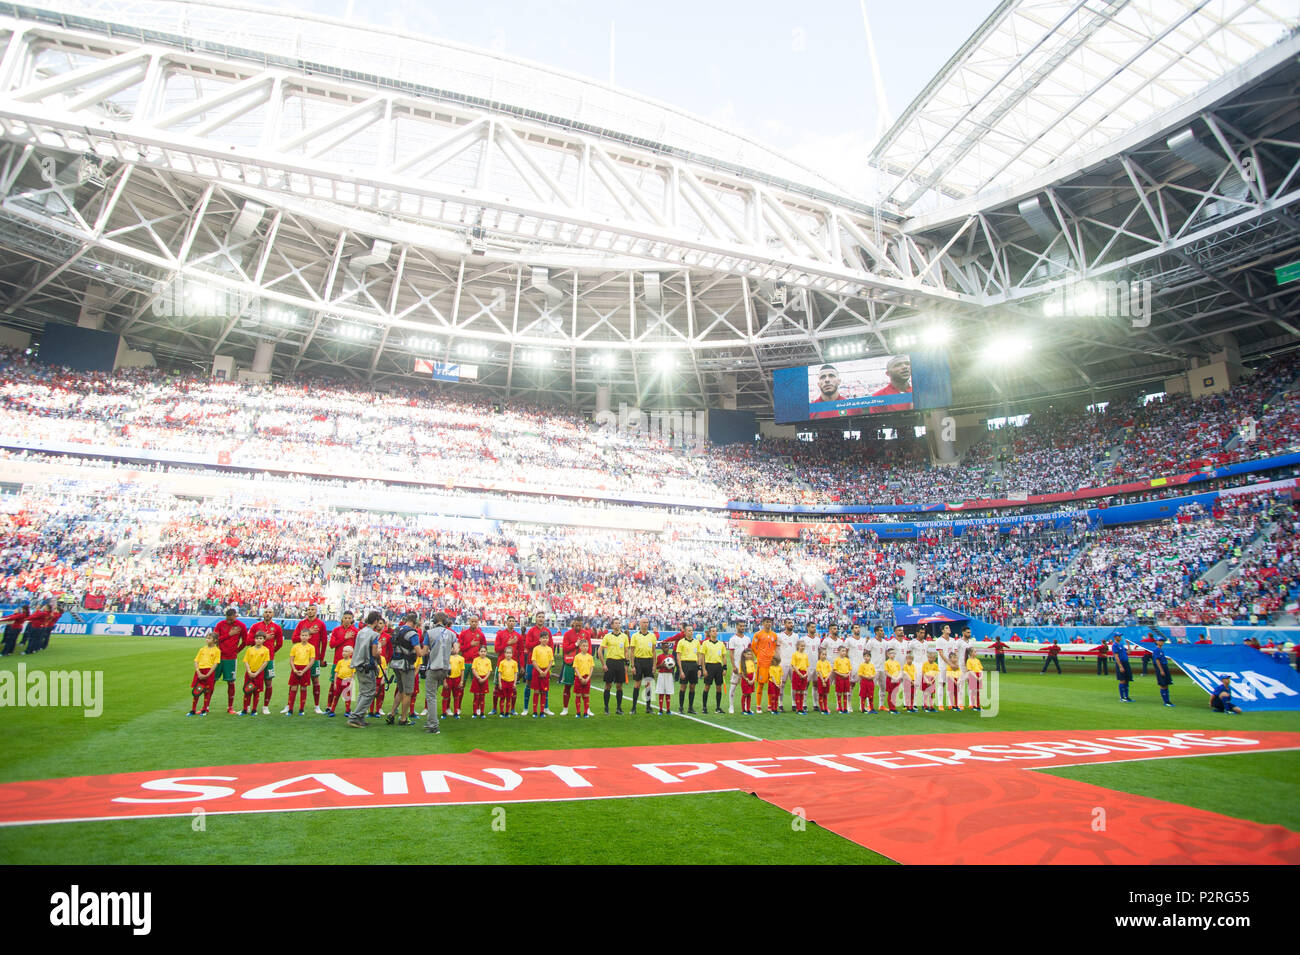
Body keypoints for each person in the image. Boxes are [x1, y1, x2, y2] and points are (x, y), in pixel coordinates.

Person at [421, 611, 459, 734]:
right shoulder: (451, 634)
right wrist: (447, 651)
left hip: (433, 667)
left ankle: (433, 724)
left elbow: (425, 651)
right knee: (435, 694)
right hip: (445, 668)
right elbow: (456, 650)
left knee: (431, 696)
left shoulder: (429, 633)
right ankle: (432, 721)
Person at [347, 611, 384, 728]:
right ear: (376, 621)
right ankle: (355, 717)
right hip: (367, 665)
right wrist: (378, 656)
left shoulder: (361, 632)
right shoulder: (374, 635)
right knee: (369, 692)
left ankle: (360, 717)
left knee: (363, 692)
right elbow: (374, 653)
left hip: (358, 664)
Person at [290, 605, 328, 714]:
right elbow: (294, 639)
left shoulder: (321, 624)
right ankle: (290, 706)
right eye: (308, 610)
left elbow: (324, 642)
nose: (310, 611)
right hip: (300, 658)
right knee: (294, 681)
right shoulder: (301, 623)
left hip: (314, 658)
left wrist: (321, 658)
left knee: (315, 680)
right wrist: (309, 633)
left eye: (312, 610)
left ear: (316, 611)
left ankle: (317, 706)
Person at [386, 612, 421, 726]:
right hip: (406, 665)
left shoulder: (397, 629)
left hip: (395, 663)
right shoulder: (412, 633)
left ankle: (391, 714)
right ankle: (404, 718)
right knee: (407, 692)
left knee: (400, 690)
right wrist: (426, 650)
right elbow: (419, 652)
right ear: (414, 622)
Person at [214, 608, 249, 715]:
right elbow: (215, 639)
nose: (229, 621)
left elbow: (245, 641)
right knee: (212, 681)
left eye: (231, 619)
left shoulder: (241, 626)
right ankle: (205, 707)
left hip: (231, 658)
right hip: (218, 657)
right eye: (227, 619)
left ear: (235, 616)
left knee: (231, 682)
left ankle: (230, 707)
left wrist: (236, 651)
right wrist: (229, 634)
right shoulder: (220, 624)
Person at [248, 610, 284, 716]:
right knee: (252, 682)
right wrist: (264, 637)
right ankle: (248, 706)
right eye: (266, 612)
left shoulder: (277, 627)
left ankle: (265, 706)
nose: (268, 614)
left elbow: (280, 644)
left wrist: (271, 652)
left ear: (273, 614)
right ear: (263, 614)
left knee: (268, 682)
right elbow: (248, 641)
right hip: (255, 659)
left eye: (270, 612)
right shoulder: (255, 626)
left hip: (269, 660)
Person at [325, 611, 357, 715]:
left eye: (349, 618)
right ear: (342, 619)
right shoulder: (336, 630)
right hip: (337, 662)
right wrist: (345, 638)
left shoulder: (355, 631)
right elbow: (332, 645)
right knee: (333, 685)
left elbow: (357, 647)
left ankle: (348, 709)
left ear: (352, 619)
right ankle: (328, 707)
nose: (347, 620)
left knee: (348, 686)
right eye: (345, 618)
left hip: (350, 664)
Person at [559, 615, 591, 716]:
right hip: (570, 663)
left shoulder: (586, 633)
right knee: (567, 686)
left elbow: (589, 648)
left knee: (584, 687)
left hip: (583, 665)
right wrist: (576, 644)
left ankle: (587, 709)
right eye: (577, 625)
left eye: (580, 625)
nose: (578, 627)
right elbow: (565, 649)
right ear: (574, 623)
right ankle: (565, 708)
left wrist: (588, 661)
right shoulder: (568, 634)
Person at [457, 615, 489, 716]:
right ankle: (458, 707)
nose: (474, 623)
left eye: (476, 622)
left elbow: (484, 647)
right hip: (466, 662)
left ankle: (478, 708)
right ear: (469, 622)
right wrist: (470, 645)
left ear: (478, 622)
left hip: (478, 664)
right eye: (472, 621)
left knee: (478, 687)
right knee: (461, 685)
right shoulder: (464, 634)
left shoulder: (481, 634)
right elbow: (459, 648)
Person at [493, 614, 525, 715]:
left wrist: (522, 666)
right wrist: (508, 643)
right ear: (506, 622)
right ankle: (494, 709)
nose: (511, 622)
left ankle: (512, 709)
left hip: (513, 666)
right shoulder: (500, 634)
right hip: (501, 664)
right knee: (497, 687)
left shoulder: (518, 636)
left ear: (515, 623)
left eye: (513, 621)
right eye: (509, 621)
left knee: (513, 688)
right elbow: (496, 649)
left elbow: (521, 652)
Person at [522, 612, 551, 714]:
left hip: (545, 664)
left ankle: (545, 708)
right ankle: (526, 708)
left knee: (544, 685)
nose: (541, 619)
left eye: (543, 617)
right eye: (539, 617)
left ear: (544, 619)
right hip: (531, 662)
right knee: (529, 683)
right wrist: (540, 642)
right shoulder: (531, 631)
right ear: (536, 618)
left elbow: (550, 646)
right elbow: (528, 645)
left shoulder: (547, 631)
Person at [750, 617, 778, 713]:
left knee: (771, 684)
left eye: (770, 622)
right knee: (761, 684)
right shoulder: (758, 634)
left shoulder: (774, 635)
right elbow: (753, 646)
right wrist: (759, 655)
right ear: (763, 623)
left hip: (771, 663)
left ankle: (770, 705)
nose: (768, 624)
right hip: (762, 662)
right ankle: (758, 705)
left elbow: (774, 647)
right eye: (766, 622)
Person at [600, 623, 629, 715]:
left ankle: (618, 708)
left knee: (619, 686)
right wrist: (603, 664)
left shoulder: (624, 637)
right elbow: (600, 650)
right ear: (612, 625)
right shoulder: (607, 636)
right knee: (608, 685)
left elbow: (626, 651)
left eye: (619, 623)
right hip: (610, 662)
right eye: (615, 623)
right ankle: (606, 707)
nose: (617, 624)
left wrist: (626, 664)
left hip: (620, 662)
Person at [629, 619, 658, 714]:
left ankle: (648, 707)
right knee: (637, 684)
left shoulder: (652, 636)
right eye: (644, 623)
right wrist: (633, 665)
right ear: (640, 624)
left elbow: (654, 651)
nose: (646, 624)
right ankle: (633, 707)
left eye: (647, 623)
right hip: (638, 661)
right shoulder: (635, 636)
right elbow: (632, 651)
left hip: (648, 661)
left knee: (648, 684)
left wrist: (654, 665)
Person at [188, 632, 220, 716]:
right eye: (206, 638)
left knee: (207, 691)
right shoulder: (202, 649)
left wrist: (208, 674)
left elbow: (215, 664)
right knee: (196, 691)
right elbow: (196, 661)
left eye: (209, 638)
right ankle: (193, 709)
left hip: (208, 672)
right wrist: (198, 671)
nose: (207, 639)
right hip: (200, 671)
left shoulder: (217, 651)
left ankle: (204, 709)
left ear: (215, 640)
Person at [285, 628, 316, 716]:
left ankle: (301, 709)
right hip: (295, 668)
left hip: (305, 669)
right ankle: (290, 709)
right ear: (300, 636)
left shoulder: (311, 647)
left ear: (309, 637)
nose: (304, 637)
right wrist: (294, 669)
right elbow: (291, 659)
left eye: (306, 635)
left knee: (303, 688)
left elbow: (312, 661)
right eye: (302, 635)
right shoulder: (295, 646)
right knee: (293, 688)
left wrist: (304, 670)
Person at [240, 631, 270, 716]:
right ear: (254, 639)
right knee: (247, 691)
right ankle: (245, 709)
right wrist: (249, 671)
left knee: (256, 692)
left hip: (259, 674)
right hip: (249, 673)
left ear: (264, 640)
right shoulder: (250, 649)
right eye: (257, 638)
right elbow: (246, 661)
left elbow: (265, 662)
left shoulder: (265, 650)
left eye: (260, 638)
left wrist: (257, 672)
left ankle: (254, 710)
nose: (258, 640)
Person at [699, 626, 726, 714]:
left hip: (718, 666)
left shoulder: (721, 644)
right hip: (709, 666)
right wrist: (703, 669)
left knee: (719, 687)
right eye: (713, 631)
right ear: (710, 633)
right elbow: (702, 656)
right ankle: (704, 707)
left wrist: (724, 667)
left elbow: (724, 656)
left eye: (716, 631)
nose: (714, 632)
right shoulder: (705, 643)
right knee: (707, 686)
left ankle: (718, 707)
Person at [675, 627, 701, 713]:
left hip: (694, 665)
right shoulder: (681, 642)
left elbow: (698, 655)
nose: (691, 632)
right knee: (683, 687)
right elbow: (678, 656)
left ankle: (690, 707)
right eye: (689, 631)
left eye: (692, 631)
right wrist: (681, 670)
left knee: (692, 687)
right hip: (685, 664)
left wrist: (699, 668)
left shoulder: (696, 642)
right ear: (685, 632)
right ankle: (681, 707)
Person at [727, 620, 750, 714]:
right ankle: (731, 706)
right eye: (740, 626)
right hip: (737, 665)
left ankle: (745, 707)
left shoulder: (747, 639)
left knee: (746, 688)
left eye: (743, 626)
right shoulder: (733, 639)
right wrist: (733, 666)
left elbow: (750, 652)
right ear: (736, 627)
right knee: (733, 686)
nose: (742, 628)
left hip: (746, 667)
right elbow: (731, 654)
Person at [530, 632, 555, 718]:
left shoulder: (550, 649)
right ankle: (534, 711)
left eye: (546, 638)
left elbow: (551, 661)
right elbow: (533, 661)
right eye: (543, 638)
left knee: (544, 691)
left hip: (545, 671)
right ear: (540, 639)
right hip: (537, 671)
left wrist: (546, 671)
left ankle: (542, 711)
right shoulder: (536, 649)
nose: (545, 639)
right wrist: (540, 671)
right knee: (536, 691)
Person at [328, 646, 355, 718]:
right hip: (339, 681)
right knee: (336, 696)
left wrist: (351, 684)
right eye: (343, 651)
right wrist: (335, 683)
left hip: (347, 681)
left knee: (347, 697)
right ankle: (332, 710)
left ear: (351, 653)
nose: (344, 653)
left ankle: (347, 710)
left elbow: (353, 674)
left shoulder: (352, 662)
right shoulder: (340, 662)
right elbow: (336, 673)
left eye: (346, 651)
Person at [572, 640, 594, 718]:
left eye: (586, 646)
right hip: (579, 678)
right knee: (578, 695)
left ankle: (585, 712)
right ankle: (578, 712)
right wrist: (580, 677)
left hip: (587, 678)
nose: (585, 647)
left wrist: (588, 678)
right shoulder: (577, 657)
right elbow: (575, 667)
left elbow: (591, 668)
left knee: (586, 695)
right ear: (580, 647)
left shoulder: (590, 657)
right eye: (583, 646)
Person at [1150, 637, 1175, 707]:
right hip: (1161, 667)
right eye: (1160, 641)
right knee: (1163, 684)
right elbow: (1157, 660)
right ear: (1157, 642)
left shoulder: (1161, 650)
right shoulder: (1156, 650)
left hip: (1164, 666)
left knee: (1166, 684)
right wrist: (1161, 670)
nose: (1161, 642)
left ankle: (1167, 700)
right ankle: (1166, 701)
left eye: (1162, 641)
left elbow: (1161, 658)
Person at [497, 646, 520, 717]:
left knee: (509, 698)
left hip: (511, 682)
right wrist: (500, 683)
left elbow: (515, 673)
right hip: (503, 682)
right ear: (504, 654)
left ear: (512, 654)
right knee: (502, 697)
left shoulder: (515, 663)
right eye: (507, 653)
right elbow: (500, 673)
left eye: (510, 653)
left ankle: (507, 712)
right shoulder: (502, 662)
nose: (508, 654)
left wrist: (515, 683)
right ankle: (501, 712)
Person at [469, 651, 493, 719]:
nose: (483, 653)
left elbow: (489, 671)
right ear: (479, 652)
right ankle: (474, 713)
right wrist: (478, 677)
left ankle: (482, 713)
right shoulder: (476, 660)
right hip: (477, 679)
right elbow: (473, 669)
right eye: (481, 651)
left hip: (484, 679)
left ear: (486, 652)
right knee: (476, 697)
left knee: (482, 697)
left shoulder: (488, 660)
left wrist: (484, 679)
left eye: (484, 651)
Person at [654, 643, 676, 715]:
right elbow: (657, 667)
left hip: (669, 675)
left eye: (667, 647)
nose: (666, 649)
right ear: (662, 648)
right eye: (665, 647)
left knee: (668, 692)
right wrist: (662, 665)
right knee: (661, 692)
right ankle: (660, 709)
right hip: (661, 675)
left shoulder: (671, 656)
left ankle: (668, 709)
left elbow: (673, 667)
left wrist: (672, 666)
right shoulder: (660, 656)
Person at [1111, 634, 1133, 703]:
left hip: (1126, 663)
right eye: (1118, 636)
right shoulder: (1115, 645)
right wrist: (1120, 666)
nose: (1120, 637)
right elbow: (1116, 656)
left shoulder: (1121, 645)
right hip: (1121, 663)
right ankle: (1122, 697)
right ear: (1115, 637)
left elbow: (1129, 652)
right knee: (1122, 680)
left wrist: (1128, 644)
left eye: (1120, 636)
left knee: (1127, 680)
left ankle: (1126, 696)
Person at [832, 646, 852, 714]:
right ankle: (840, 708)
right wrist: (842, 674)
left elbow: (850, 669)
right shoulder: (837, 660)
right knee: (839, 692)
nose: (844, 652)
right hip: (840, 677)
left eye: (845, 651)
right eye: (842, 651)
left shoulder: (847, 660)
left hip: (846, 677)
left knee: (845, 692)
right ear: (839, 652)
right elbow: (835, 670)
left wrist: (848, 674)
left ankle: (845, 708)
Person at [738, 648, 758, 715]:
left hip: (751, 679)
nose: (749, 656)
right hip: (745, 680)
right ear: (744, 654)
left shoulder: (751, 662)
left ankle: (748, 709)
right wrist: (747, 680)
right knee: (745, 694)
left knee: (749, 694)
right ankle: (743, 710)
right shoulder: (741, 663)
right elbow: (742, 673)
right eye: (748, 654)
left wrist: (753, 680)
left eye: (750, 654)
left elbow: (754, 672)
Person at [813, 649, 832, 715]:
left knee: (826, 694)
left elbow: (830, 671)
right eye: (823, 654)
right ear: (819, 655)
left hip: (826, 679)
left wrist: (826, 678)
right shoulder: (819, 662)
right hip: (821, 679)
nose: (824, 656)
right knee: (821, 694)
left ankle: (826, 707)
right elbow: (819, 671)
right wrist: (823, 680)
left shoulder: (827, 662)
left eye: (825, 654)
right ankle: (822, 708)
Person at [883, 647, 902, 714]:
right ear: (888, 654)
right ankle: (891, 708)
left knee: (895, 694)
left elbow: (899, 671)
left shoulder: (897, 662)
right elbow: (886, 672)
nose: (893, 655)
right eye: (891, 653)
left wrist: (898, 677)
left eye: (894, 653)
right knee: (890, 694)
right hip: (890, 679)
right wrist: (892, 677)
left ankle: (894, 707)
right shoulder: (886, 662)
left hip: (896, 679)